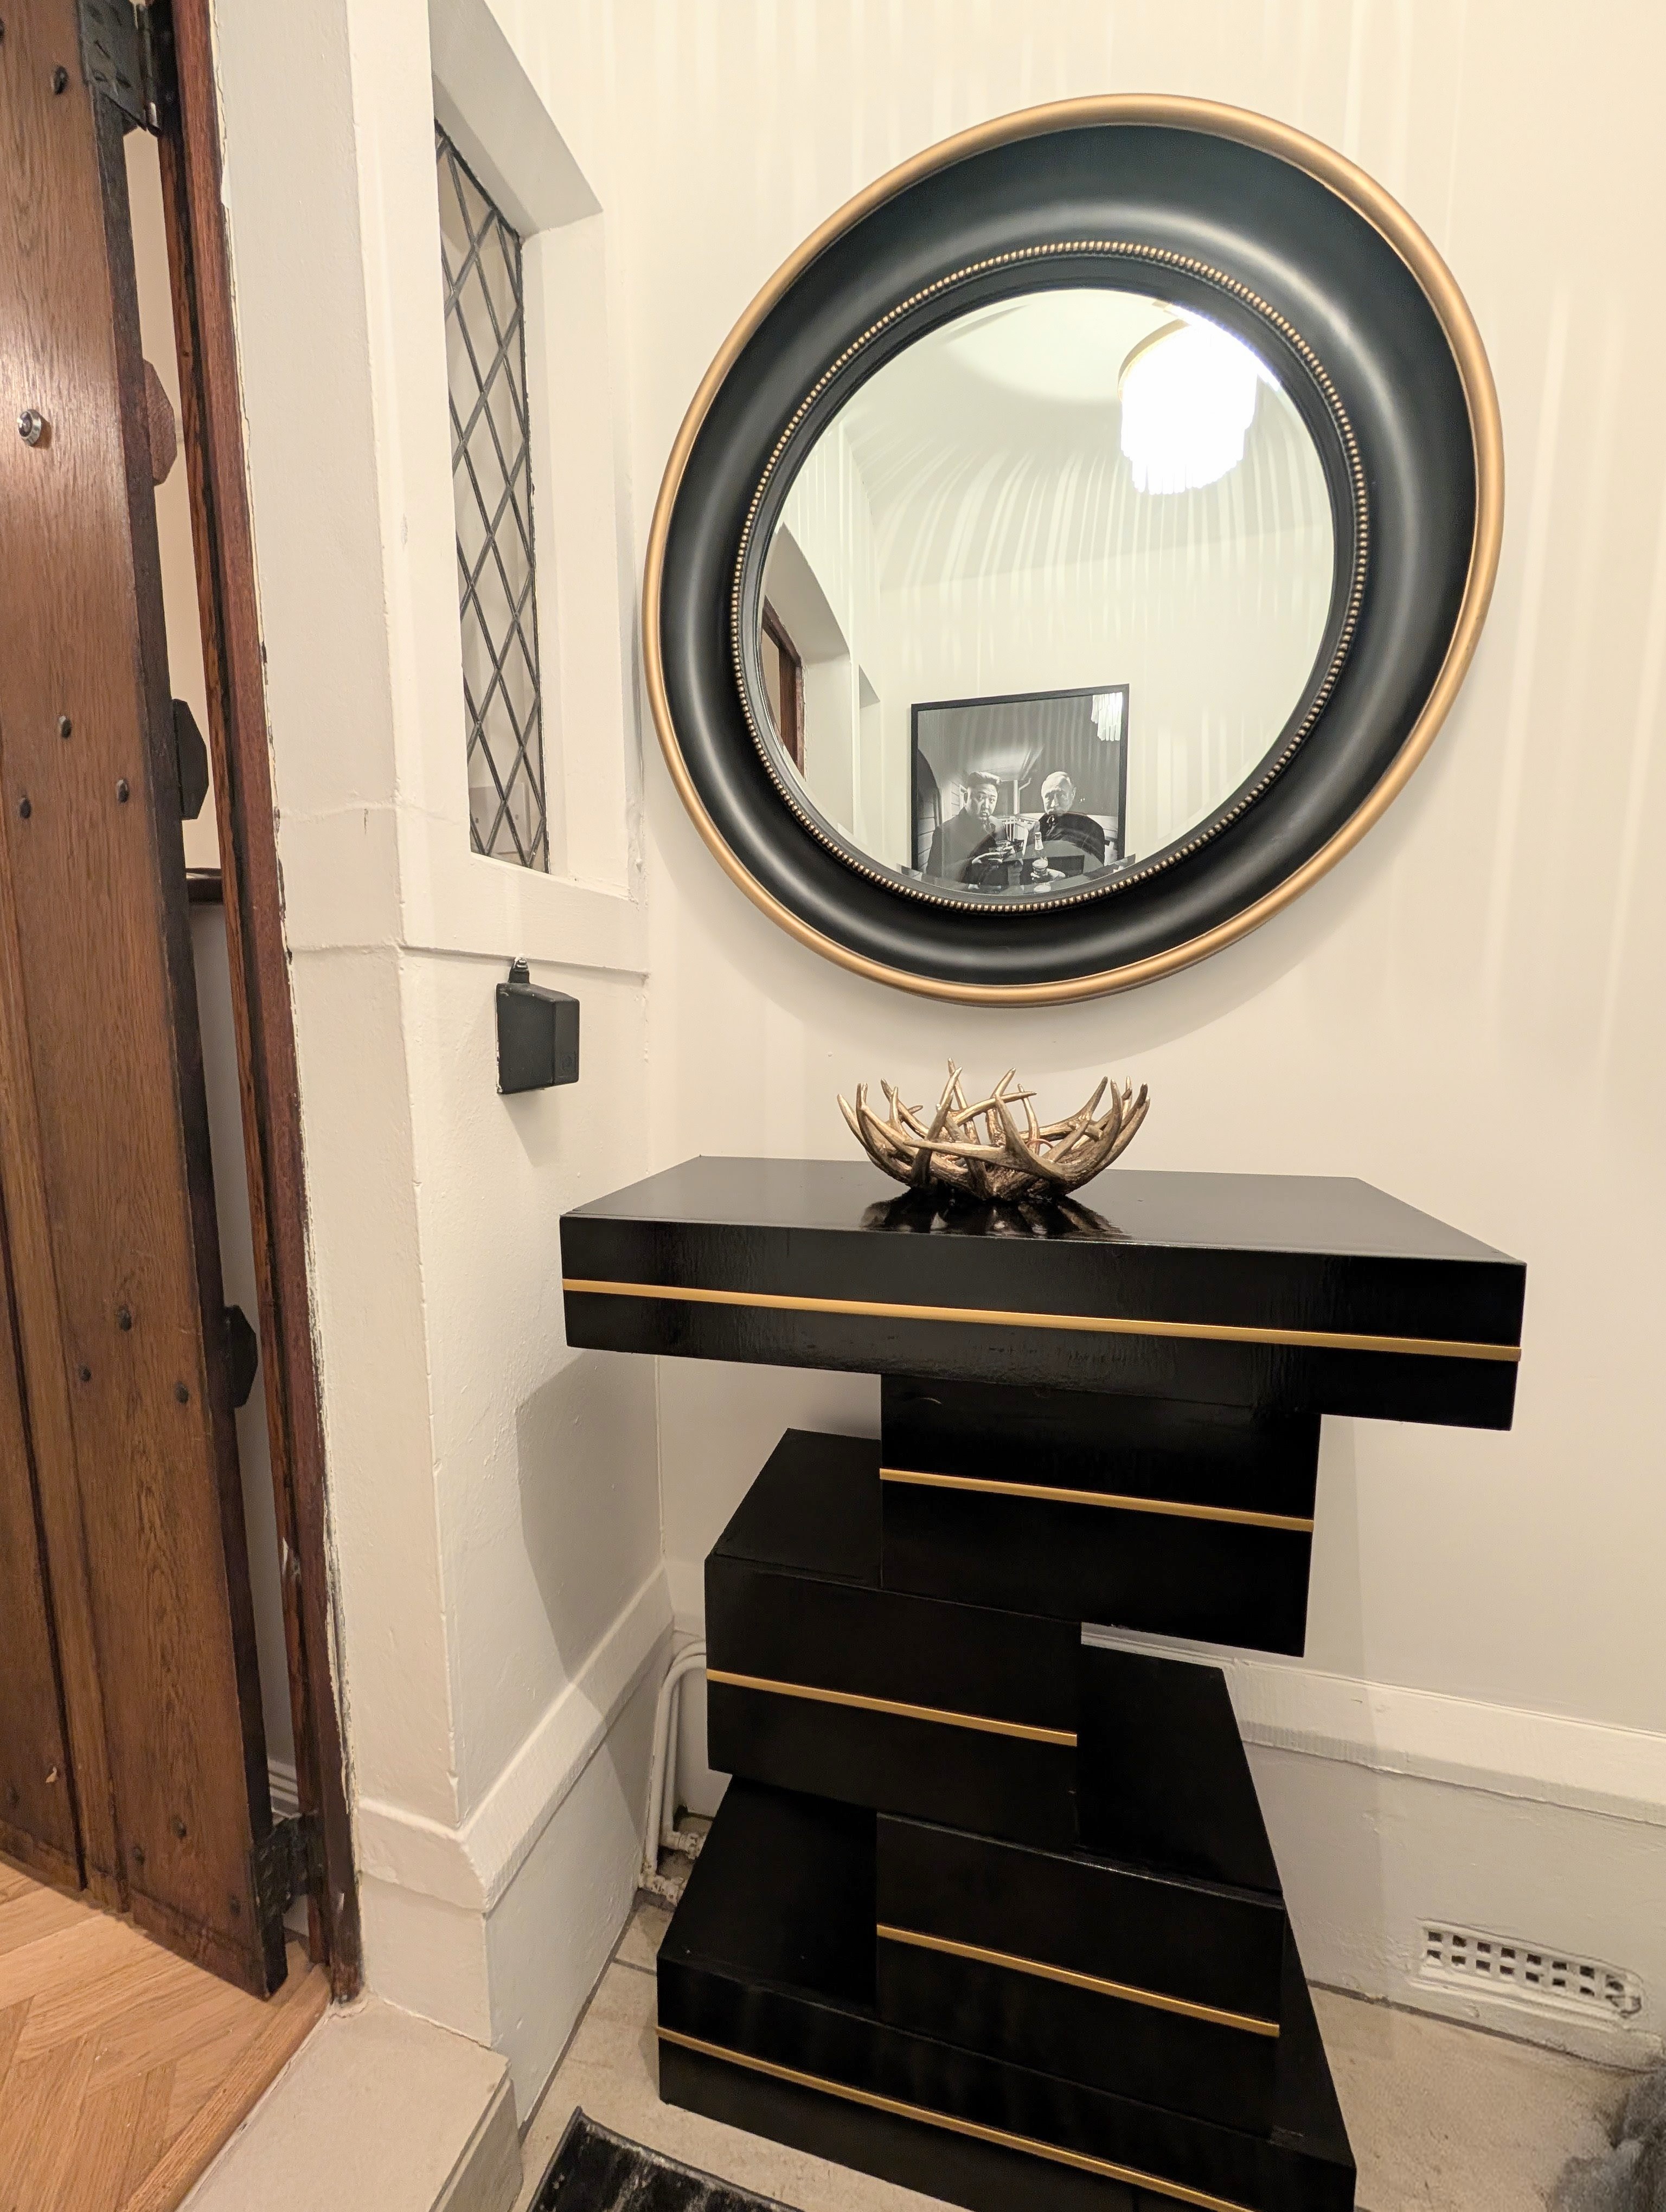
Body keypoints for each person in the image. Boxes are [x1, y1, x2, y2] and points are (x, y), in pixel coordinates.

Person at [925, 772, 1017, 888]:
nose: (986, 806)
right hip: (966, 901)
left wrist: (1010, 856)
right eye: (980, 798)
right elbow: (932, 878)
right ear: (965, 798)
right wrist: (971, 866)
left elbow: (1004, 865)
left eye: (992, 800)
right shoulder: (944, 832)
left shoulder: (999, 825)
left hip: (1000, 896)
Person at [1023, 770, 1106, 882]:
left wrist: (1063, 878)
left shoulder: (1092, 829)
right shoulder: (1037, 827)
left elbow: (1096, 879)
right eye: (1049, 796)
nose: (1054, 804)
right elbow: (1027, 867)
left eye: (1061, 795)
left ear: (1073, 794)